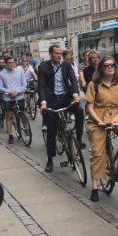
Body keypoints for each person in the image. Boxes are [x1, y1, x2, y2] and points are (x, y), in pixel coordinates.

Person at [85, 56, 118, 202]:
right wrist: (99, 121)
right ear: (101, 68)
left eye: (112, 65)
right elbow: (89, 107)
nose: (109, 67)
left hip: (115, 116)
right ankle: (95, 187)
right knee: (98, 153)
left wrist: (116, 118)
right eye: (106, 65)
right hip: (97, 120)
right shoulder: (94, 85)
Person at [38, 44, 85, 172]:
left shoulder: (66, 65)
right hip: (51, 101)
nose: (59, 55)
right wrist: (43, 103)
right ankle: (50, 160)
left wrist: (76, 95)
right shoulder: (44, 67)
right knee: (51, 132)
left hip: (65, 97)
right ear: (50, 54)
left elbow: (73, 81)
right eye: (56, 53)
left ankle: (79, 139)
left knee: (80, 110)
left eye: (60, 53)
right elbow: (41, 86)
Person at [0, 57, 26, 144]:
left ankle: (25, 128)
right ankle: (10, 135)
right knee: (9, 116)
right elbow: (0, 86)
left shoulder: (20, 71)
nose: (11, 64)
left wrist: (17, 91)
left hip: (19, 96)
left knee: (22, 114)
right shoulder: (2, 74)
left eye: (13, 62)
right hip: (8, 98)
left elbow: (24, 84)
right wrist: (9, 92)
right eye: (9, 63)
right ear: (5, 64)